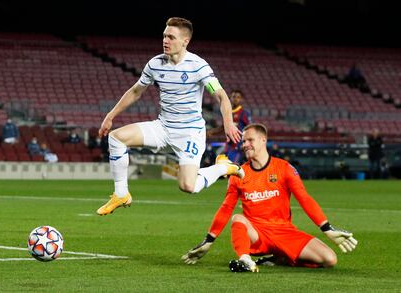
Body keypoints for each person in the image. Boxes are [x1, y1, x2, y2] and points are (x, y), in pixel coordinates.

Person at [96, 17, 243, 216]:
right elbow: (135, 92)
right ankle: (121, 194)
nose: (165, 40)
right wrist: (110, 116)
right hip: (163, 128)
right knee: (116, 138)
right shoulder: (155, 64)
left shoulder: (198, 66)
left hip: (190, 133)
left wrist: (228, 124)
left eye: (171, 37)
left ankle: (222, 167)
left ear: (185, 41)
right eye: (164, 36)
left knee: (188, 186)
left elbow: (221, 96)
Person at [182, 123, 358, 272]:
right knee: (238, 218)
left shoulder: (284, 168)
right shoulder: (238, 173)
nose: (245, 145)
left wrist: (327, 228)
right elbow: (226, 208)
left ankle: (281, 258)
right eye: (243, 141)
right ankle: (245, 259)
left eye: (250, 140)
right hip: (258, 235)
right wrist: (209, 240)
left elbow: (304, 198)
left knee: (330, 260)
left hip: (285, 232)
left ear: (263, 140)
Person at [207, 90, 251, 164]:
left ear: (242, 99)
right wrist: (211, 132)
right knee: (223, 165)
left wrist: (245, 142)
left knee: (232, 167)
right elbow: (223, 127)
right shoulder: (227, 112)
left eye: (238, 97)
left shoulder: (244, 113)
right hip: (228, 145)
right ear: (230, 98)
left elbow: (250, 128)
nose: (236, 99)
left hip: (238, 145)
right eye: (234, 97)